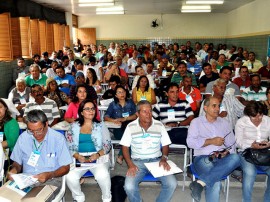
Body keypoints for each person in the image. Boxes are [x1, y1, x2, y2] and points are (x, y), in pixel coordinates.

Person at [120, 100, 177, 202]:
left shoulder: (159, 125)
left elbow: (165, 144)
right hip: (137, 162)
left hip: (157, 161)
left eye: (150, 111)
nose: (148, 114)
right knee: (129, 186)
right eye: (144, 111)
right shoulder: (130, 126)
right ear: (137, 114)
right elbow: (124, 147)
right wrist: (130, 164)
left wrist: (164, 158)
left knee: (172, 183)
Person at [187, 96, 240, 202]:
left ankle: (200, 183)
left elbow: (232, 144)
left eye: (218, 106)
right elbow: (190, 143)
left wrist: (227, 151)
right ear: (205, 108)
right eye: (214, 106)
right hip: (203, 158)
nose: (217, 109)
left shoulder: (224, 123)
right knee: (215, 182)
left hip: (222, 159)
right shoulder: (196, 122)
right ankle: (202, 182)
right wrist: (211, 141)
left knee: (236, 158)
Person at [8, 110, 72, 195]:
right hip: (26, 180)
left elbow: (66, 167)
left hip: (51, 180)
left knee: (35, 199)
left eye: (39, 130)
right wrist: (14, 170)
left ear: (46, 124)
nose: (35, 134)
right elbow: (17, 163)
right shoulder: (23, 138)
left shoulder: (58, 139)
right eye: (31, 130)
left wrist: (50, 174)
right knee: (6, 196)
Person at [66, 99, 112, 202]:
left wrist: (98, 154)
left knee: (102, 175)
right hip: (79, 157)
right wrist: (77, 156)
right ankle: (78, 197)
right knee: (70, 176)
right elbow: (69, 145)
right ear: (81, 112)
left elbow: (108, 145)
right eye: (87, 109)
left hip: (97, 156)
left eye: (92, 109)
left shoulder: (100, 125)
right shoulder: (73, 126)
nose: (91, 111)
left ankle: (107, 197)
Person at [235, 101, 270, 202]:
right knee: (250, 173)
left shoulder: (268, 120)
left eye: (260, 116)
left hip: (264, 153)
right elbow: (238, 142)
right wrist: (251, 145)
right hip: (246, 152)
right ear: (249, 115)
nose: (258, 119)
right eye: (254, 117)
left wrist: (268, 144)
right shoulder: (241, 122)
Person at [104, 85, 137, 164]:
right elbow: (106, 117)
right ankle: (124, 157)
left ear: (125, 93)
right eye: (119, 92)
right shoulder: (113, 104)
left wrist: (125, 119)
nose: (122, 94)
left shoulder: (130, 103)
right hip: (118, 128)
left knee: (130, 136)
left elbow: (136, 115)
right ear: (116, 95)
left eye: (123, 92)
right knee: (129, 137)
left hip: (129, 127)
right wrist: (114, 120)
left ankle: (121, 155)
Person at [0, 98, 19, 173]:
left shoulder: (12, 123)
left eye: (0, 107)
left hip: (8, 155)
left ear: (5, 108)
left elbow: (11, 141)